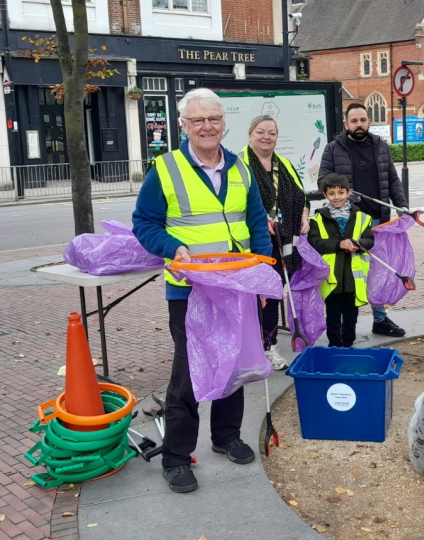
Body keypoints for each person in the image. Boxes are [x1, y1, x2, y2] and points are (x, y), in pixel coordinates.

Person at [132, 88, 272, 494]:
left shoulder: (241, 169)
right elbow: (144, 224)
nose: (207, 127)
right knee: (189, 373)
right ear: (184, 125)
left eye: (213, 119)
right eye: (198, 121)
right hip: (190, 290)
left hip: (237, 286)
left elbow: (257, 224)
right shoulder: (166, 168)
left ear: (224, 123)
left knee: (234, 365)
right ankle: (176, 457)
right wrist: (171, 247)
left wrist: (263, 278)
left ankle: (226, 437)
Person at [318, 103, 407, 338]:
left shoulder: (380, 147)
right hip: (348, 222)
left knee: (376, 270)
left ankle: (380, 319)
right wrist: (343, 192)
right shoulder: (333, 148)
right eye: (354, 121)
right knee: (349, 271)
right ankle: (343, 327)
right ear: (346, 124)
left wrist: (401, 205)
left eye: (363, 120)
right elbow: (322, 181)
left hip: (377, 220)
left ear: (369, 122)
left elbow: (393, 178)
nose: (359, 124)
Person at [239, 115, 310, 370]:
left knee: (272, 294)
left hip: (283, 244)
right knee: (254, 297)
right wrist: (259, 221)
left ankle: (269, 347)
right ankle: (252, 348)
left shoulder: (285, 165)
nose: (266, 137)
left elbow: (301, 196)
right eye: (261, 132)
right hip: (253, 245)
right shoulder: (239, 164)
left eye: (272, 133)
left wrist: (305, 215)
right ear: (250, 134)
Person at [307, 173, 374, 348]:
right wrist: (338, 244)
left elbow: (369, 240)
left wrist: (358, 244)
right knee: (333, 316)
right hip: (332, 278)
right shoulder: (318, 218)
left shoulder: (362, 217)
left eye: (341, 192)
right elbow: (315, 242)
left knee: (351, 316)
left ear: (348, 193)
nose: (337, 197)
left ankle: (348, 344)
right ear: (325, 195)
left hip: (353, 279)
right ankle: (334, 345)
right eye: (332, 193)